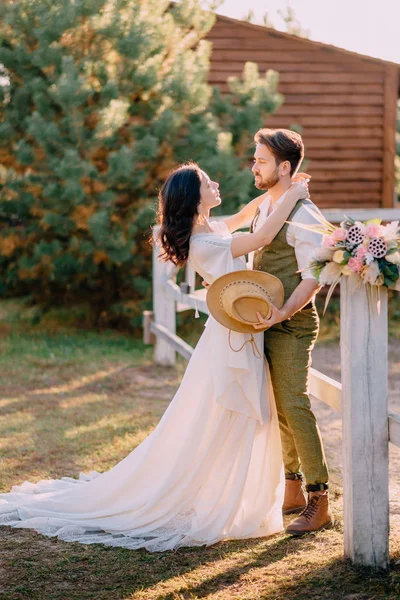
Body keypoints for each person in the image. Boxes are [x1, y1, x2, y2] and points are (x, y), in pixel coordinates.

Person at [0, 163, 309, 551]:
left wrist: (278, 191)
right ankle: (216, 497)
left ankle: (228, 492)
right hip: (230, 338)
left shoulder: (211, 230)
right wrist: (294, 195)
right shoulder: (207, 242)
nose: (215, 183)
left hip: (234, 333)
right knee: (225, 415)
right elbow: (262, 234)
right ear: (195, 199)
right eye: (206, 183)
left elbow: (249, 214)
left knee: (232, 416)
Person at [249, 128, 334, 535]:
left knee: (294, 404)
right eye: (255, 158)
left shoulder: (303, 214)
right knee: (277, 407)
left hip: (293, 323)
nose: (254, 165)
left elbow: (314, 274)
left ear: (284, 167)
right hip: (265, 321)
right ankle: (292, 487)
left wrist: (282, 312)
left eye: (261, 160)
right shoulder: (271, 206)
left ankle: (320, 498)